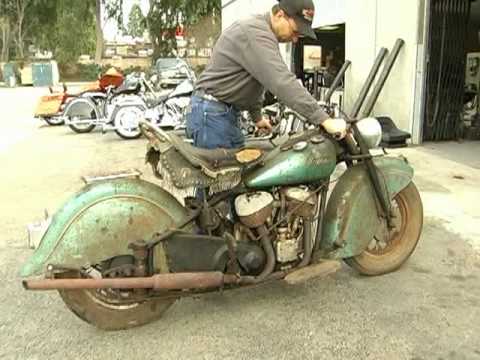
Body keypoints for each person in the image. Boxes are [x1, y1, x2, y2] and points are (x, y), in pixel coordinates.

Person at [186, 0, 347, 150]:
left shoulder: (263, 34)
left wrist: (257, 117)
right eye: (295, 31)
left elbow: (255, 80)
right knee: (221, 177)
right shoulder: (255, 32)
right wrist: (324, 119)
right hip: (212, 115)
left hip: (221, 113)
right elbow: (282, 82)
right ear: (279, 15)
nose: (296, 39)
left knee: (239, 174)